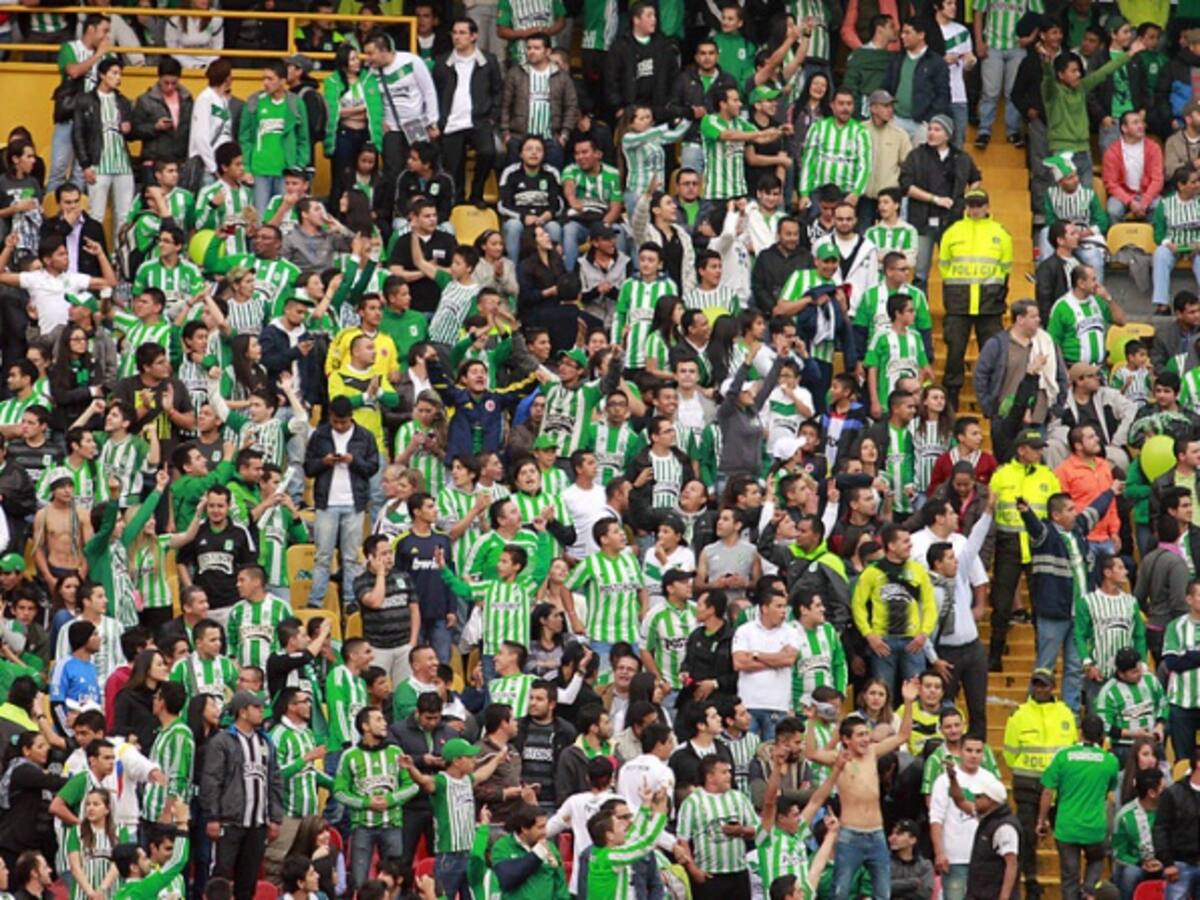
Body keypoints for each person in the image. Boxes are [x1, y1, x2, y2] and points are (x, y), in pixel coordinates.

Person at [806, 678, 918, 899]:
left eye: (867, 734)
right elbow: (811, 753)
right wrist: (810, 722)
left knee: (882, 894)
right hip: (850, 835)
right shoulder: (839, 758)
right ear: (846, 739)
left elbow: (903, 735)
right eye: (860, 735)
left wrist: (908, 702)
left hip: (876, 833)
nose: (866, 739)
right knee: (841, 892)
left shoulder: (872, 753)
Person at [1002, 668, 1078, 900]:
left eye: (1044, 684)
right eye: (1036, 684)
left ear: (1052, 686)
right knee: (1026, 837)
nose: (1040, 689)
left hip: (1059, 788)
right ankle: (1031, 882)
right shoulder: (1019, 714)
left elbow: (1071, 749)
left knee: (1065, 839)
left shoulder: (1065, 714)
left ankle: (1071, 887)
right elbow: (1009, 753)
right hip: (1027, 785)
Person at [199, 691, 282, 900]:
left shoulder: (266, 742)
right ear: (243, 712)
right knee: (221, 879)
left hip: (257, 824)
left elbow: (274, 780)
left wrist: (275, 817)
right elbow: (211, 780)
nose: (262, 712)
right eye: (257, 708)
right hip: (230, 822)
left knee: (248, 882)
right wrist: (213, 817)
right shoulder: (223, 741)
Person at [1036, 714, 1120, 900]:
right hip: (1095, 827)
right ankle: (1089, 890)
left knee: (1069, 877)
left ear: (1080, 732)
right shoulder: (1110, 761)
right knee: (1097, 859)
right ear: (1102, 737)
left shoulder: (1063, 756)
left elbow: (1048, 792)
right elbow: (1109, 790)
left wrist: (1041, 821)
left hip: (1067, 827)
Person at [334, 707, 416, 889]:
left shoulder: (396, 752)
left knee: (394, 881)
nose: (384, 723)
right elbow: (339, 792)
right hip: (362, 827)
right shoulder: (349, 756)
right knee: (359, 881)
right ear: (365, 726)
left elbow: (412, 786)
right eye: (378, 720)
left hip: (392, 825)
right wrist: (365, 803)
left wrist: (392, 799)